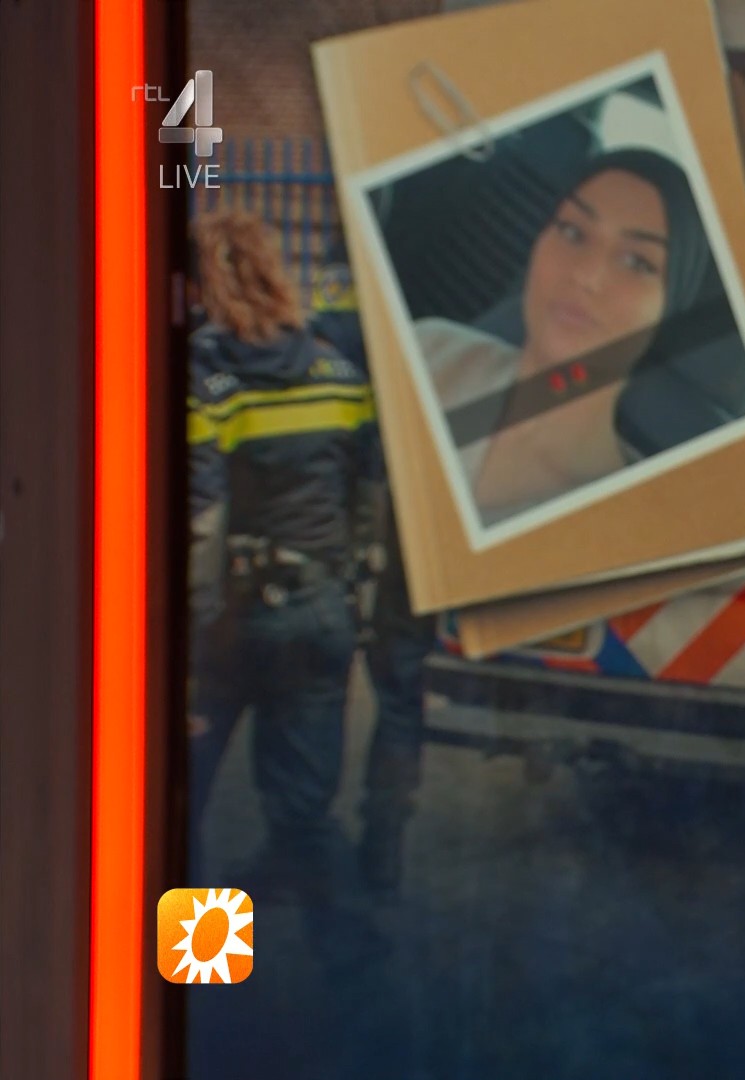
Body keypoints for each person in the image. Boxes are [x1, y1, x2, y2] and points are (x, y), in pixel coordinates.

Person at [186, 208, 379, 903]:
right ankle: (358, 962)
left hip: (231, 622)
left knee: (184, 806)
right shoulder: (337, 372)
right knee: (303, 814)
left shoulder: (206, 377)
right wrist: (351, 594)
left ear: (202, 284)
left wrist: (187, 643)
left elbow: (202, 524)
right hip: (321, 611)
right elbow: (369, 499)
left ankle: (206, 964)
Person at [412, 146, 745, 527]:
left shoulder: (631, 528)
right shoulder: (428, 348)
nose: (586, 276)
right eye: (572, 232)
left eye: (637, 262)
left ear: (666, 313)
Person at [309, 259, 437, 897]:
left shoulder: (349, 303)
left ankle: (309, 845)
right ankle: (381, 851)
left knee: (319, 685)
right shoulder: (455, 292)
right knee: (399, 688)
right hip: (417, 514)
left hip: (353, 504)